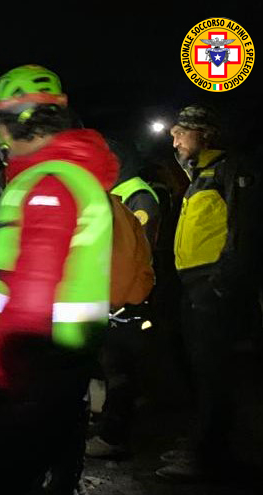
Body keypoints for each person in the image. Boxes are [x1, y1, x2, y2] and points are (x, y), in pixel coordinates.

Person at [0, 65, 116, 495]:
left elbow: (30, 299)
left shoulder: (46, 185)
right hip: (50, 374)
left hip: (16, 382)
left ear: (8, 124)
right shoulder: (71, 177)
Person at [156, 105, 256, 482]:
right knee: (198, 370)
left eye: (182, 131)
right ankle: (202, 446)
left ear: (206, 134)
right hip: (194, 285)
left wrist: (221, 283)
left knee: (213, 372)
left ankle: (207, 456)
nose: (175, 138)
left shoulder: (231, 169)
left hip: (211, 286)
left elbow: (244, 232)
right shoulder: (200, 176)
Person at [85, 139, 162, 459]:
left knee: (119, 369)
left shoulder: (135, 195)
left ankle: (114, 435)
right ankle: (110, 424)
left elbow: (130, 254)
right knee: (113, 367)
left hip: (123, 300)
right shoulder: (118, 196)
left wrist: (114, 301)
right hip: (120, 297)